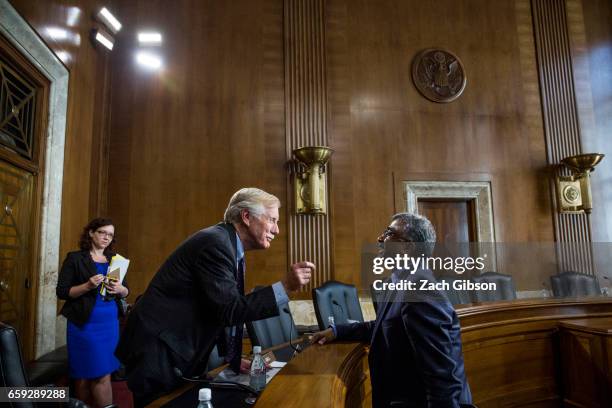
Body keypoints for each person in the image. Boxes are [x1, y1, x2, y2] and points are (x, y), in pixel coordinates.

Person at [115, 188, 314, 406]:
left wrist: (233, 360)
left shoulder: (225, 242)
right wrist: (285, 287)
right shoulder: (216, 243)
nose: (276, 230)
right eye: (272, 220)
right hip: (158, 352)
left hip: (172, 349)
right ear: (246, 217)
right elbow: (229, 310)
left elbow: (215, 308)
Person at [311, 213, 473, 408]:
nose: (380, 239)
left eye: (389, 233)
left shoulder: (419, 288)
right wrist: (337, 331)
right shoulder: (400, 280)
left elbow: (442, 377)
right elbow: (385, 327)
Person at [56, 218, 129, 408]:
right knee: (82, 375)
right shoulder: (75, 258)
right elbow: (62, 292)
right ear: (91, 233)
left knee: (102, 372)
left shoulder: (116, 260)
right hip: (84, 324)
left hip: (109, 325)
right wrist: (87, 285)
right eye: (102, 232)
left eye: (110, 235)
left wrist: (121, 289)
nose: (106, 237)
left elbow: (126, 291)